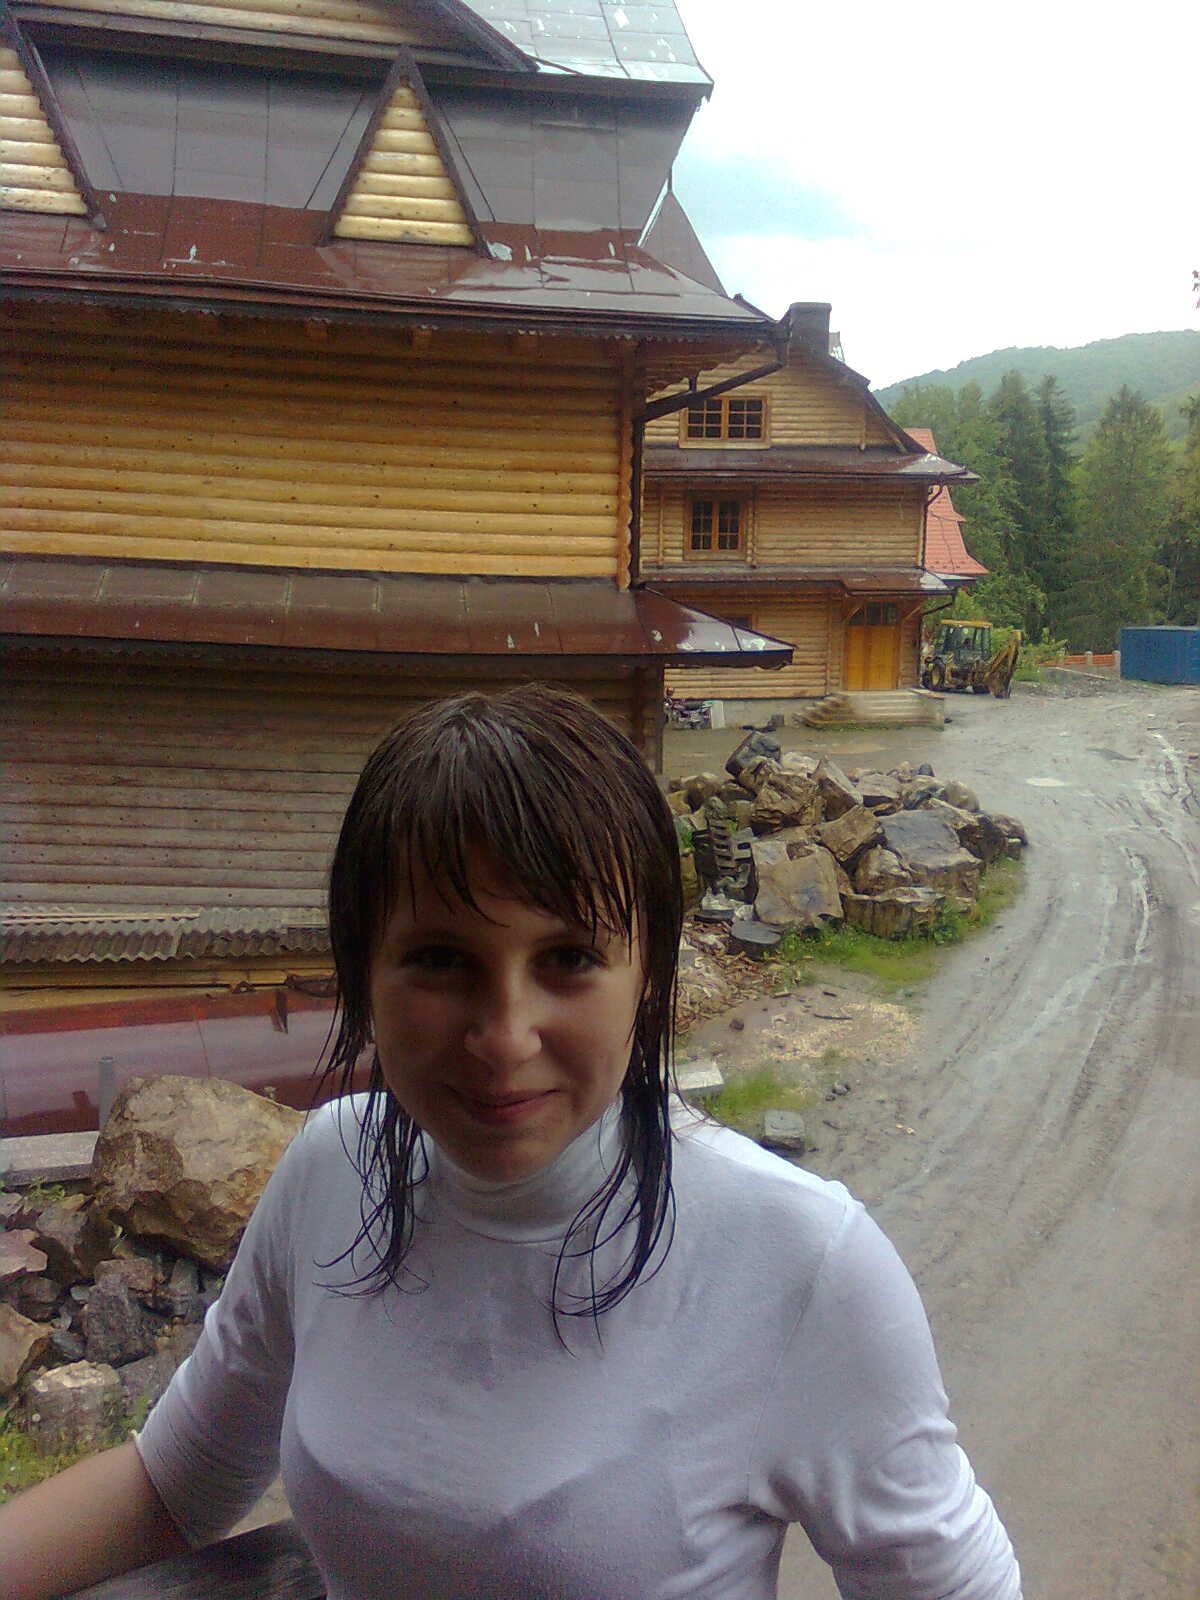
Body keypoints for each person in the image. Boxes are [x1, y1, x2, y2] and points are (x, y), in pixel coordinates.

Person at [1, 685, 1021, 1599]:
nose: (504, 1036)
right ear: (364, 970)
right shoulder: (332, 1173)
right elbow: (172, 1486)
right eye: (441, 960)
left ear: (649, 975)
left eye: (569, 957)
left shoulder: (799, 1260)